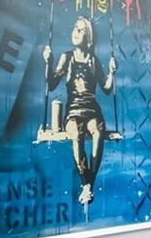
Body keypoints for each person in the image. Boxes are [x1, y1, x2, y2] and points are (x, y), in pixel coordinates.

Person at [44, 16, 116, 207]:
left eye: (81, 30)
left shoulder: (93, 61)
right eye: (75, 28)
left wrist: (111, 73)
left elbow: (107, 88)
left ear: (89, 37)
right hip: (74, 111)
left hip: (92, 110)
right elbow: (51, 84)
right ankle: (87, 183)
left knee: (98, 132)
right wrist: (48, 62)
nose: (76, 32)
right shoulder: (66, 58)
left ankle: (88, 185)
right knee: (76, 133)